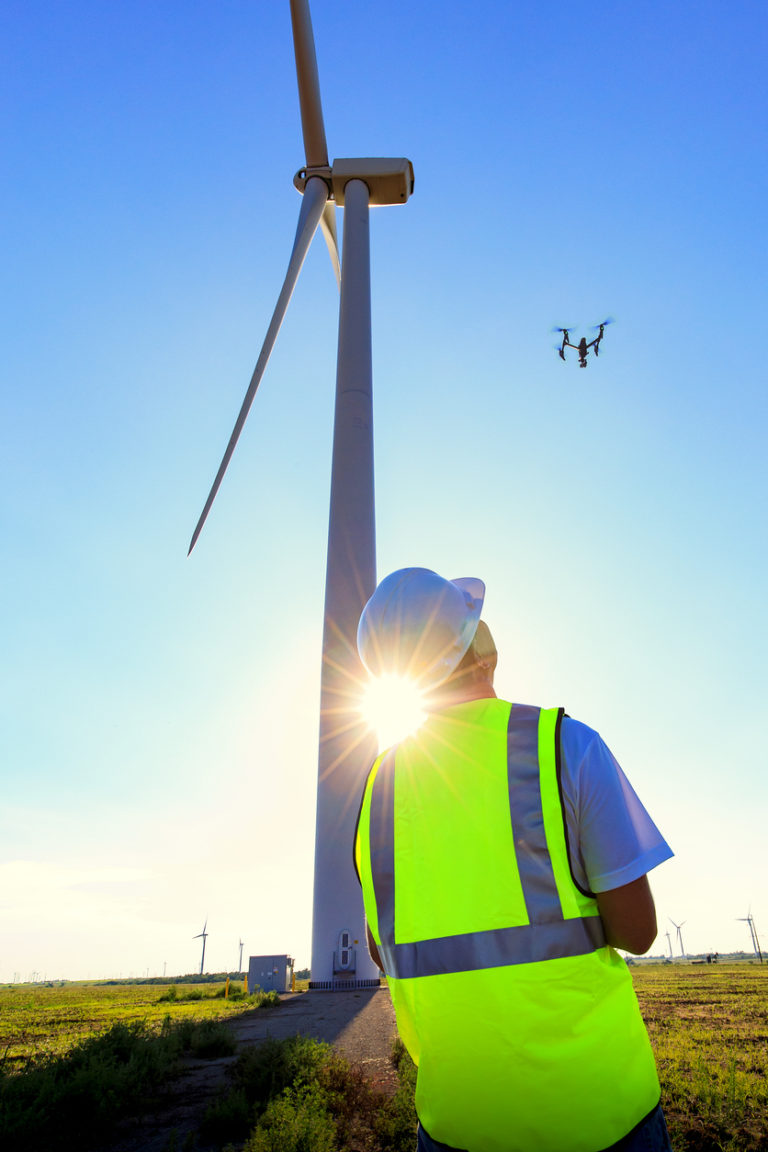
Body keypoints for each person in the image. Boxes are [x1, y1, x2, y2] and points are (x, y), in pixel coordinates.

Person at [354, 568, 674, 1152]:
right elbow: (639, 932)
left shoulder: (377, 794)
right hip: (598, 1116)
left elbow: (382, 949)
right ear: (479, 649)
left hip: (456, 1124)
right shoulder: (562, 745)